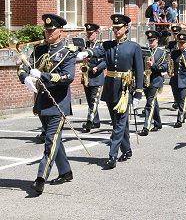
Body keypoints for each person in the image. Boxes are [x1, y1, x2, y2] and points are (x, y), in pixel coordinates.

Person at [18, 14, 76, 194]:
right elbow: (23, 66)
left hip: (58, 103)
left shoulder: (67, 52)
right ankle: (66, 172)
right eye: (46, 30)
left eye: (52, 30)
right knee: (55, 140)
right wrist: (25, 77)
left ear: (60, 31)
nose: (48, 33)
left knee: (50, 142)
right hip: (42, 102)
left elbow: (68, 77)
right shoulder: (39, 50)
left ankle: (40, 178)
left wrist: (43, 75)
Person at [77, 14, 144, 169]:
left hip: (125, 89)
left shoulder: (134, 47)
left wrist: (138, 93)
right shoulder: (108, 45)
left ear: (126, 28)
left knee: (119, 123)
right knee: (117, 122)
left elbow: (139, 72)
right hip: (110, 87)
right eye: (114, 28)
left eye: (119, 28)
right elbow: (97, 52)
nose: (116, 30)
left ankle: (112, 155)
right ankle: (126, 149)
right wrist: (86, 54)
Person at [139, 30, 168, 136]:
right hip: (146, 81)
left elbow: (165, 67)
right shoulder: (145, 51)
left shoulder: (162, 52)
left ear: (157, 40)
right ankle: (158, 123)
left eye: (153, 40)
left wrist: (153, 65)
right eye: (149, 40)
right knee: (152, 102)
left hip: (156, 81)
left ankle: (146, 126)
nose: (151, 42)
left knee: (149, 104)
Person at [81, 23, 106, 133]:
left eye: (91, 33)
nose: (89, 35)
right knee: (90, 101)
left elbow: (106, 60)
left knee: (94, 100)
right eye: (88, 33)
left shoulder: (101, 46)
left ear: (96, 33)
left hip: (97, 76)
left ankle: (89, 122)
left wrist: (98, 67)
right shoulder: (84, 45)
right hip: (86, 76)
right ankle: (96, 121)